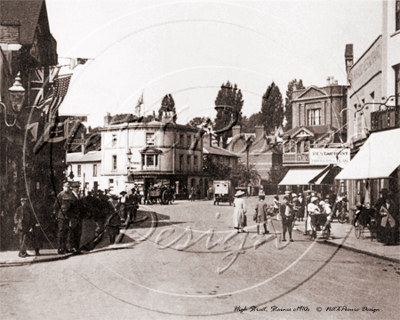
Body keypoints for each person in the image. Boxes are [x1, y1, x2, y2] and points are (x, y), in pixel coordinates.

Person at [53, 182, 76, 254]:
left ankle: (67, 248)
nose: (67, 188)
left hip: (69, 216)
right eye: (66, 186)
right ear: (63, 187)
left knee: (68, 233)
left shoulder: (71, 195)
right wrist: (57, 216)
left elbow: (74, 205)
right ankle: (60, 248)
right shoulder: (60, 195)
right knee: (61, 233)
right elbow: (56, 206)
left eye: (68, 186)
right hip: (61, 216)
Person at [68, 182, 84, 252]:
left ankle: (77, 247)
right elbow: (69, 208)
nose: (77, 189)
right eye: (76, 187)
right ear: (73, 188)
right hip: (73, 217)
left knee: (79, 232)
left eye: (78, 187)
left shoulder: (78, 196)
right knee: (73, 233)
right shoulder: (71, 196)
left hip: (79, 217)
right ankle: (73, 247)